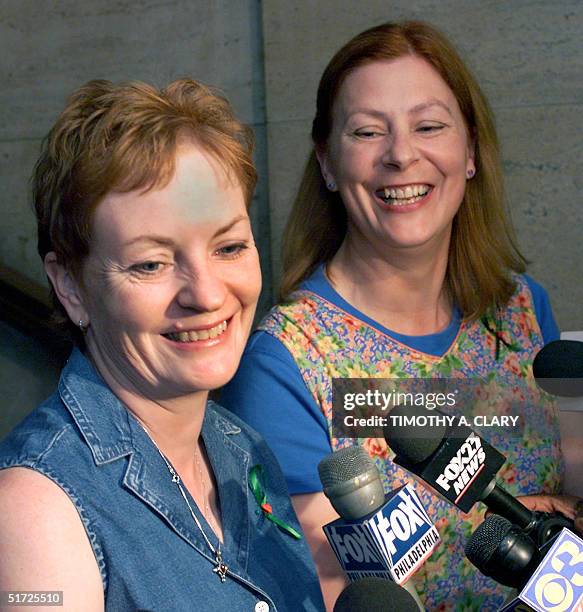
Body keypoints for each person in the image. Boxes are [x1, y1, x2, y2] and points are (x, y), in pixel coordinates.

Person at [221, 21, 583, 610]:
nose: (401, 154)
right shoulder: (282, 364)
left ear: (469, 151)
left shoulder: (521, 307)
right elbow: (336, 593)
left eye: (429, 126)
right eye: (367, 132)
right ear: (329, 163)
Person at [0, 79, 324, 611]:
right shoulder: (36, 511)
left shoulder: (244, 449)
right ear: (70, 286)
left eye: (229, 247)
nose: (207, 293)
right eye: (151, 263)